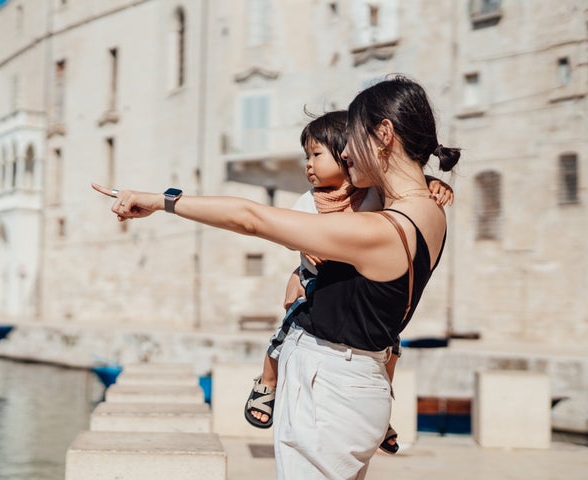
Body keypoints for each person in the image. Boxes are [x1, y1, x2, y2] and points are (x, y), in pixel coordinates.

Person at [92, 74, 460, 480]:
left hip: (329, 389)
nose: (347, 152)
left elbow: (251, 219)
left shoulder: (379, 231)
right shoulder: (430, 212)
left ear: (384, 135)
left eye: (353, 139)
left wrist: (162, 201)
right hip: (362, 384)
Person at [242, 110, 454, 459]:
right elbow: (289, 233)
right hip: (318, 283)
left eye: (317, 154)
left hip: (362, 297)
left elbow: (406, 188)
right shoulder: (309, 201)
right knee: (285, 330)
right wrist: (303, 260)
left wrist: (433, 183)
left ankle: (383, 405)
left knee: (391, 346)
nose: (308, 164)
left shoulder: (371, 194)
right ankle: (267, 381)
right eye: (306, 156)